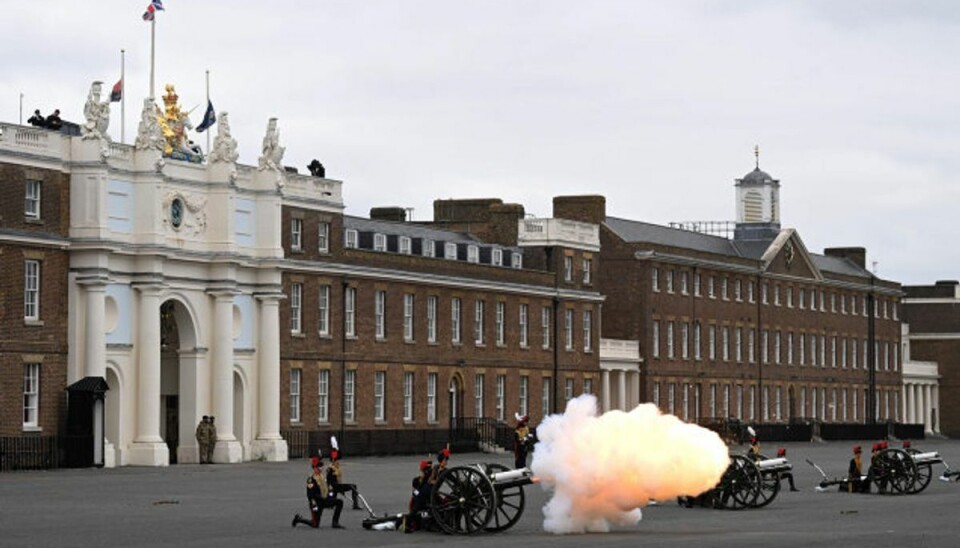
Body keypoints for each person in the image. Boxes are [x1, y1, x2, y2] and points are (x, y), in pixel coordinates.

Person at [293, 457, 345, 529]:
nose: (321, 468)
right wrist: (314, 505)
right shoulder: (311, 479)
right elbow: (310, 495)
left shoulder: (322, 476)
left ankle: (335, 522)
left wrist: (331, 493)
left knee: (339, 502)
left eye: (321, 466)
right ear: (314, 468)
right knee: (315, 524)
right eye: (319, 466)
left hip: (324, 500)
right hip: (317, 502)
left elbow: (327, 487)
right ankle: (299, 519)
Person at [404, 460, 434, 533]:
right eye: (426, 470)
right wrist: (419, 492)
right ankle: (408, 523)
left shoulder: (430, 480)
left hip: (428, 500)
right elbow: (414, 492)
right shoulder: (416, 480)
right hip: (418, 500)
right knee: (418, 502)